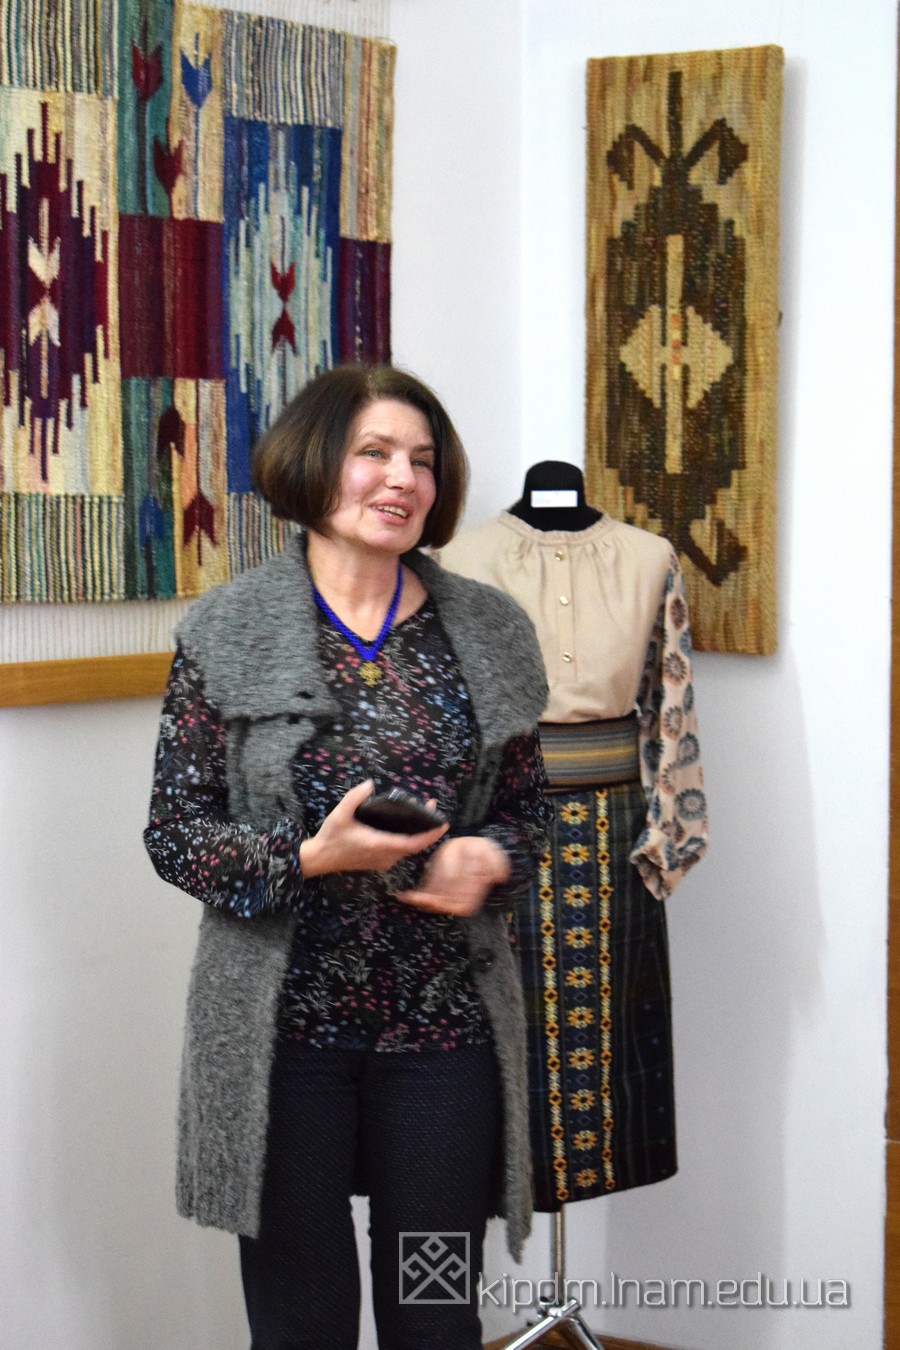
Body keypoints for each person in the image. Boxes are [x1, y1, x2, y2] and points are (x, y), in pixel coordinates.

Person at [144, 364, 550, 1350]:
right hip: (283, 1040)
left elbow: (529, 812)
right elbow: (177, 833)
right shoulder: (226, 629)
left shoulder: (491, 629)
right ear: (316, 463)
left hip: (444, 1032)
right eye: (375, 452)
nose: (403, 478)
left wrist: (488, 857)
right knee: (302, 1320)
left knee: (435, 1313)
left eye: (422, 459)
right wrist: (307, 858)